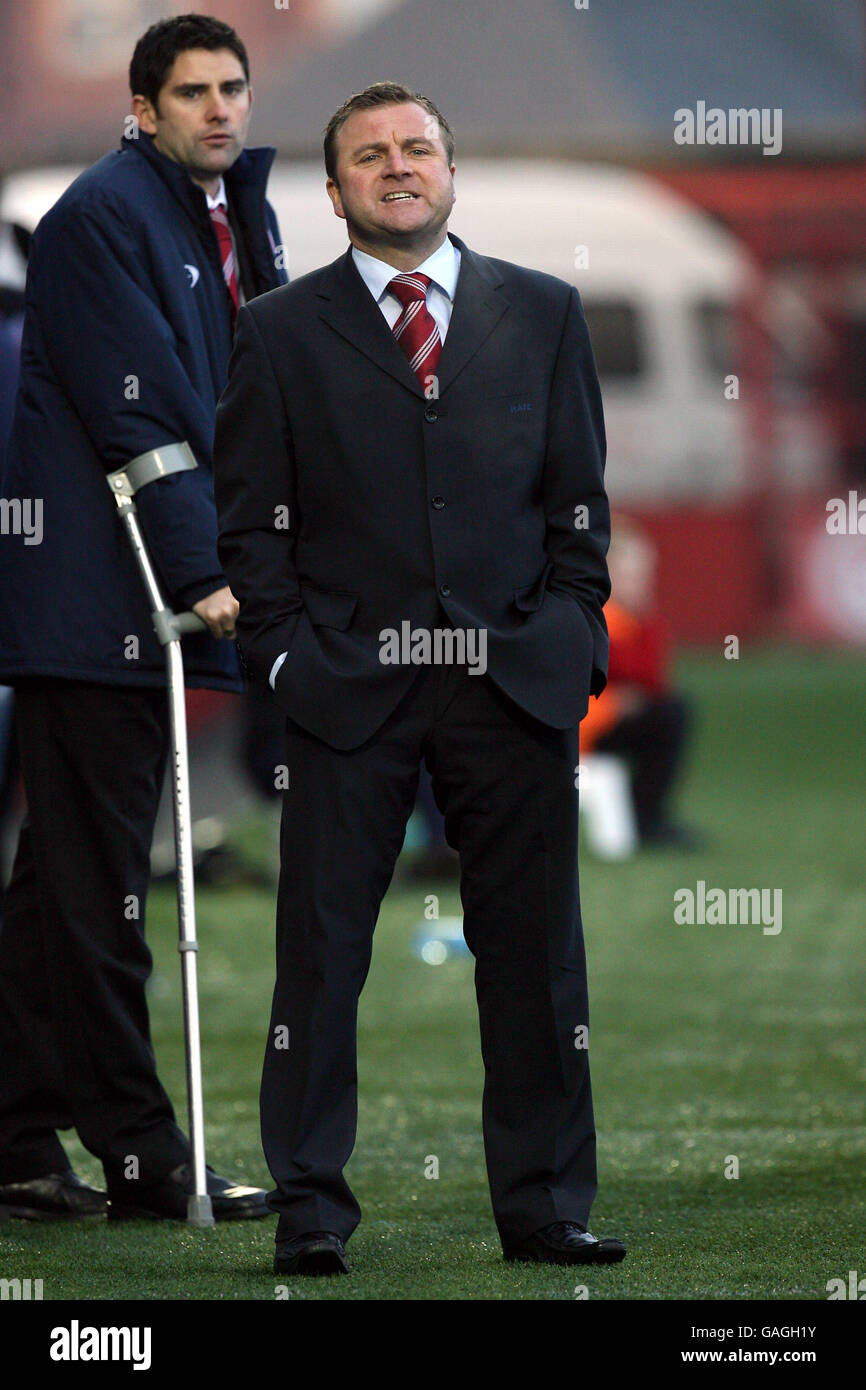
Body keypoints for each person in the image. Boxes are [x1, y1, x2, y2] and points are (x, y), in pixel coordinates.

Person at [213, 82, 627, 1274]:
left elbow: (578, 507)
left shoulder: (544, 314)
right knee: (320, 953)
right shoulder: (277, 331)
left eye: (418, 149)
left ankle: (544, 1205)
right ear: (336, 191)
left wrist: (570, 634)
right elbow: (250, 534)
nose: (398, 167)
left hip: (514, 682)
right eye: (369, 156)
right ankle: (311, 1210)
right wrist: (290, 654)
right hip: (350, 684)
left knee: (539, 956)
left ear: (451, 171)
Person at [0, 13, 285, 1222]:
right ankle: (140, 1154)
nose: (219, 109)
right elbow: (145, 414)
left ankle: (12, 1137)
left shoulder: (227, 212)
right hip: (100, 603)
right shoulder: (104, 217)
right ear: (142, 105)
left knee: (63, 881)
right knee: (101, 883)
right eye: (191, 93)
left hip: (135, 598)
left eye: (232, 88)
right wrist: (196, 574)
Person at [580, 518, 701, 848]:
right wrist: (619, 701)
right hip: (585, 728)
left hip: (605, 721)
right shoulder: (599, 618)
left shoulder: (638, 621)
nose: (642, 582)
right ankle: (645, 816)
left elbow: (652, 681)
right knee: (671, 714)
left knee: (670, 712)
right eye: (631, 574)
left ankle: (645, 813)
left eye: (644, 573)